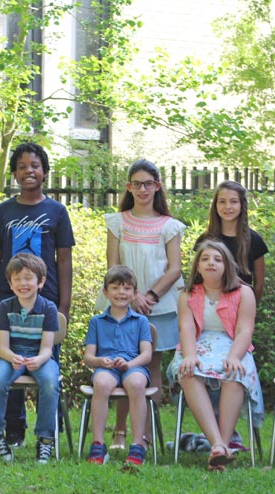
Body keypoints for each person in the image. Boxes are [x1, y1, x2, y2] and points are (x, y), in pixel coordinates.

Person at [0, 142, 74, 448]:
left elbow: (64, 259)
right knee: (12, 362)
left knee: (46, 363)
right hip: (9, 298)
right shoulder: (4, 211)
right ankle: (14, 429)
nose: (29, 171)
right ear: (14, 173)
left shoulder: (56, 212)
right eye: (22, 166)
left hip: (46, 302)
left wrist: (64, 305)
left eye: (35, 166)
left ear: (45, 172)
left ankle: (50, 432)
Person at [103, 159, 185, 452]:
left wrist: (148, 297)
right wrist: (131, 296)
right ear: (129, 187)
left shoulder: (169, 226)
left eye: (148, 184)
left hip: (159, 306)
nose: (142, 189)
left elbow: (175, 268)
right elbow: (113, 265)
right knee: (124, 365)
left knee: (152, 369)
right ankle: (120, 432)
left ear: (157, 186)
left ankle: (145, 435)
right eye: (136, 184)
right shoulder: (117, 222)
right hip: (122, 306)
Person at [167, 240, 263, 471]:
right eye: (205, 259)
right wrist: (189, 355)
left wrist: (234, 356)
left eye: (217, 259)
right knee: (187, 370)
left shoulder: (244, 293)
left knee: (235, 372)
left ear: (227, 266)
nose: (211, 263)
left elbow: (245, 331)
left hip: (233, 345)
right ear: (197, 266)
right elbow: (187, 329)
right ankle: (219, 445)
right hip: (197, 345)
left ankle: (222, 444)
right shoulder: (187, 295)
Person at [0, 253, 60, 464]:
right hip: (12, 354)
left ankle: (45, 440)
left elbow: (48, 347)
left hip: (40, 356)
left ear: (41, 281)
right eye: (17, 279)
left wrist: (39, 359)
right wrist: (13, 357)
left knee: (49, 382)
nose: (23, 283)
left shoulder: (48, 308)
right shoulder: (4, 307)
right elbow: (2, 348)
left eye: (28, 278)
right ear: (10, 284)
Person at [83, 266, 153, 466]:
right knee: (102, 383)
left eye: (127, 288)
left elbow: (147, 354)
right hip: (107, 366)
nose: (121, 293)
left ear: (134, 294)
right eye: (115, 288)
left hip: (134, 365)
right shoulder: (97, 322)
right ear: (106, 292)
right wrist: (99, 361)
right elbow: (89, 356)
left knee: (137, 384)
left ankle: (138, 444)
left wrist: (130, 363)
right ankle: (98, 443)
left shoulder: (141, 321)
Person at [196, 180, 268, 305]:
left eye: (233, 201)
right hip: (208, 308)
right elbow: (197, 279)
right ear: (216, 205)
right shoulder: (205, 240)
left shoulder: (254, 240)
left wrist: (250, 309)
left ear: (242, 205)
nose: (227, 207)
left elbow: (259, 284)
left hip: (241, 307)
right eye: (222, 201)